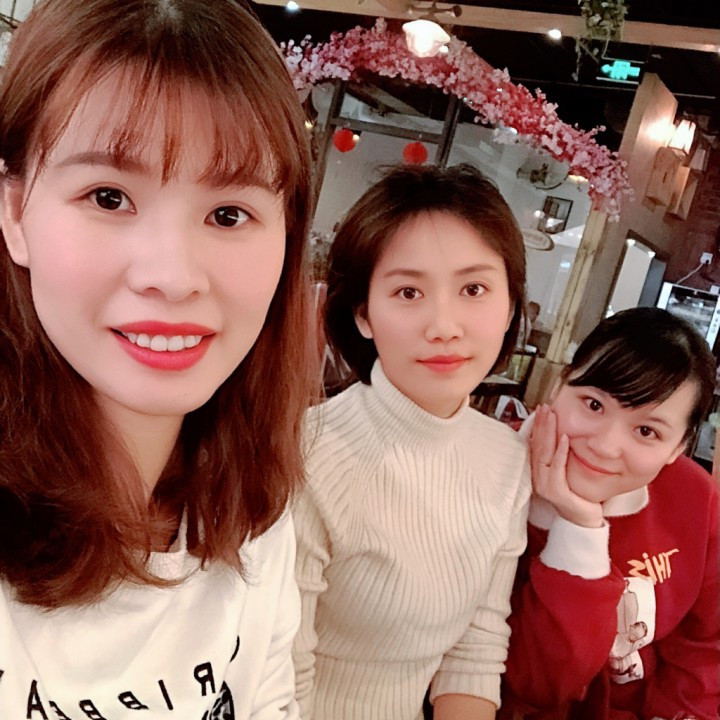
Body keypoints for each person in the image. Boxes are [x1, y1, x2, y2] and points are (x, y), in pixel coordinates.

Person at [0, 0, 315, 716]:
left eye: (228, 214)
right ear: (15, 212)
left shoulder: (250, 509)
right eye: (108, 197)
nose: (173, 276)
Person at [293, 163, 532, 720]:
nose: (444, 325)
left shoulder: (507, 458)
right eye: (408, 291)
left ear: (509, 307)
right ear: (363, 314)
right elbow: (280, 671)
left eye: (473, 289)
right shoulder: (307, 456)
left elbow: (475, 649)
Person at [501, 307, 719, 720]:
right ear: (558, 385)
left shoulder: (692, 495)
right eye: (594, 404)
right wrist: (579, 525)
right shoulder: (487, 482)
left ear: (678, 447)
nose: (604, 446)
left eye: (646, 431)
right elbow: (536, 685)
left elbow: (706, 647)